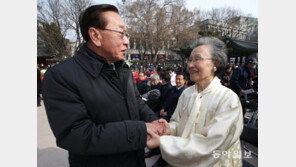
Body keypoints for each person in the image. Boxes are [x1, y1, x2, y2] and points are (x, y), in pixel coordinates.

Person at [42, 4, 167, 167]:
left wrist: (155, 122)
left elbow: (136, 103)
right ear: (95, 36)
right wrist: (141, 130)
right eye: (121, 33)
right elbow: (77, 135)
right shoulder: (61, 76)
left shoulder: (123, 69)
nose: (127, 41)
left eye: (127, 34)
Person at [147, 37, 244, 167]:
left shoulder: (228, 99)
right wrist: (167, 128)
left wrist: (163, 142)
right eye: (190, 60)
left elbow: (211, 146)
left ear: (216, 64)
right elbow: (178, 123)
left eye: (197, 59)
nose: (190, 65)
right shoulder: (187, 94)